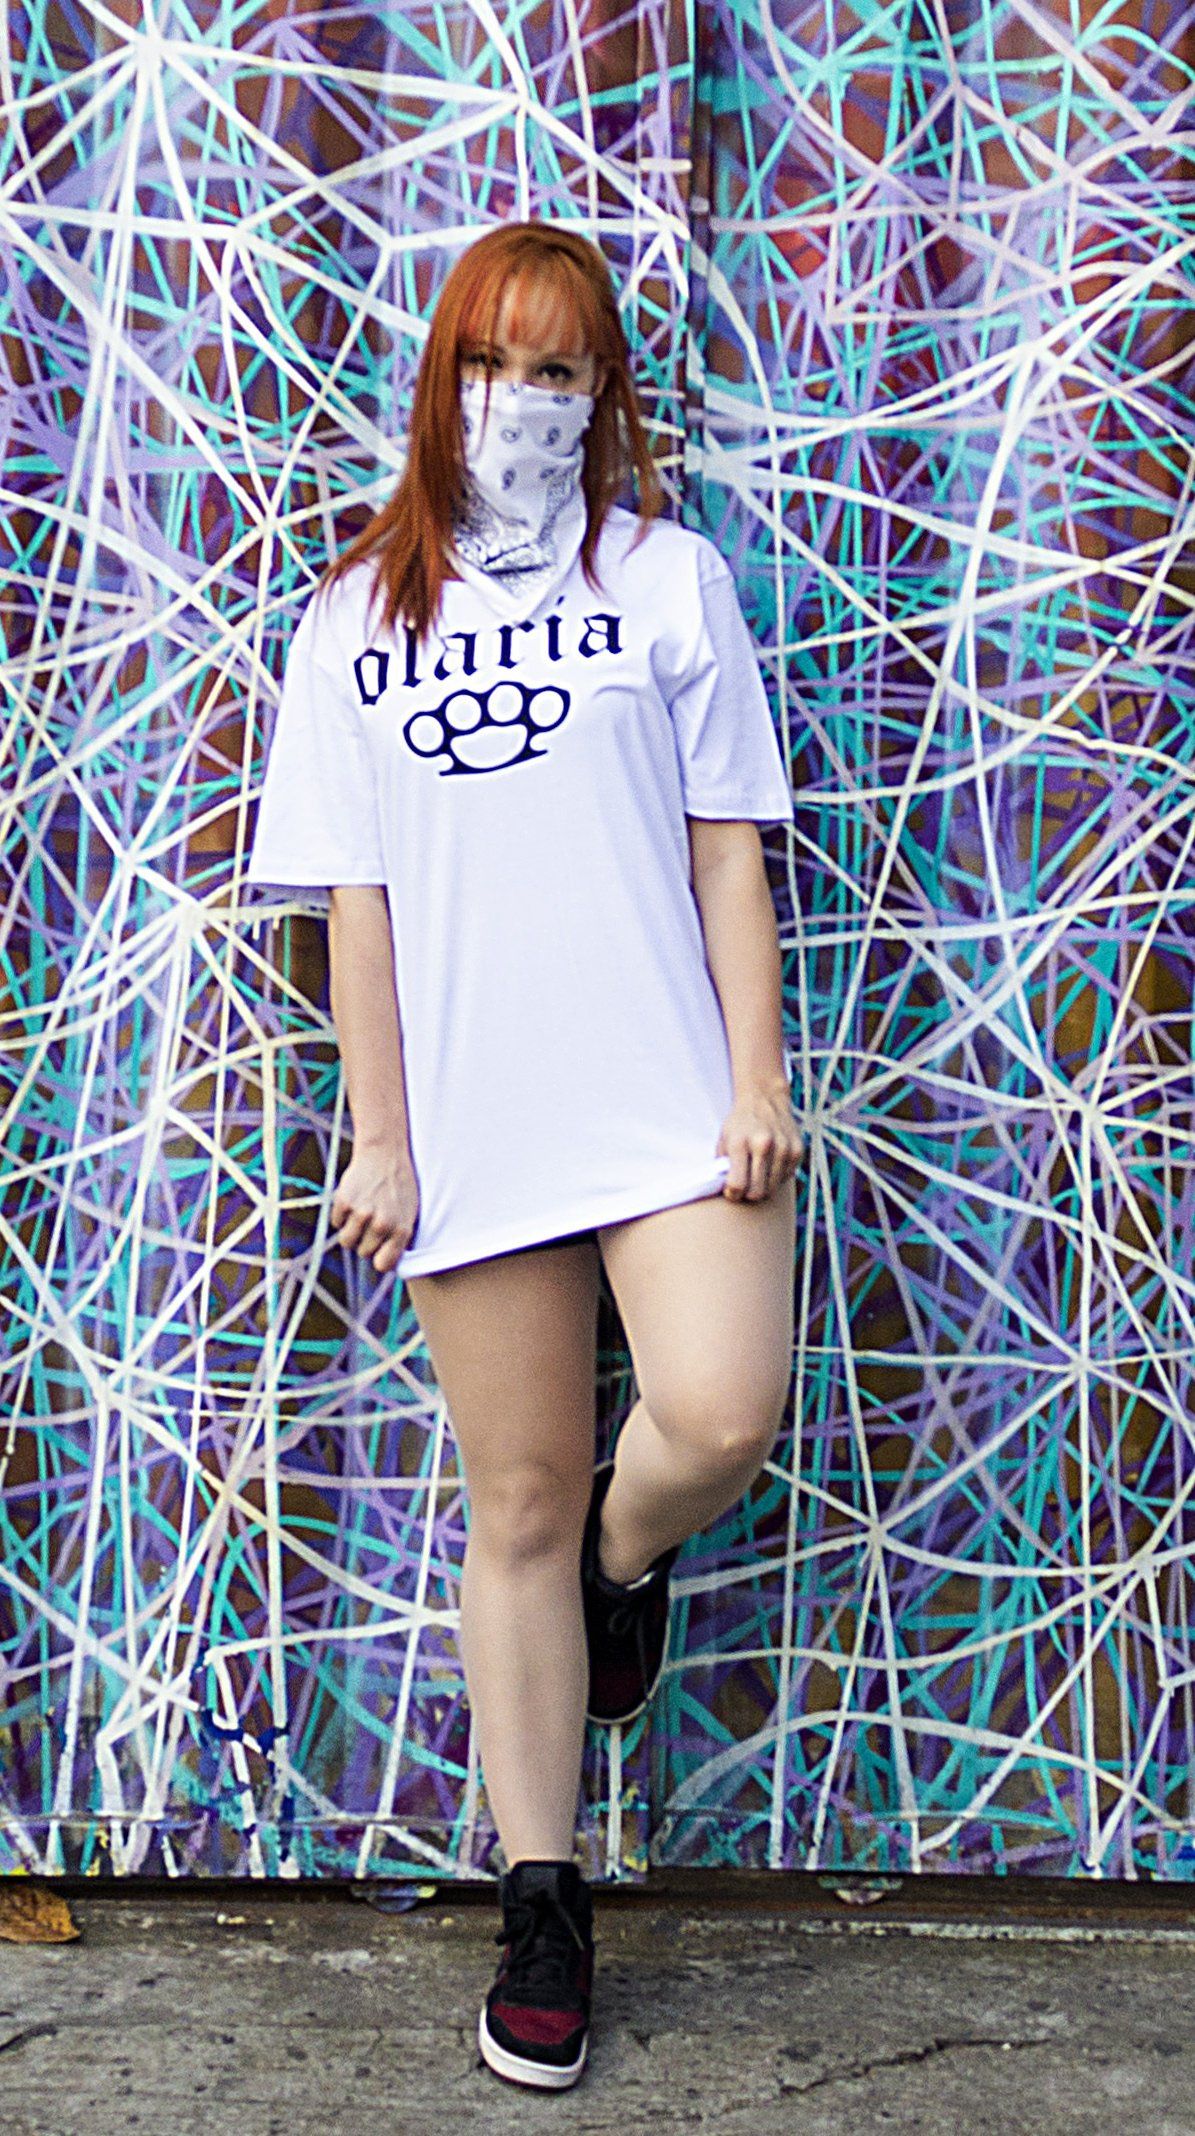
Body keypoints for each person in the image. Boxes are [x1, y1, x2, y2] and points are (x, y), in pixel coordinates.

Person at [246, 219, 803, 2092]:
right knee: (517, 1509)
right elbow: (360, 905)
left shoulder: (668, 578)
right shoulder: (348, 626)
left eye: (561, 372)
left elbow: (730, 842)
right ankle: (542, 1898)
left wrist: (757, 1079)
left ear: (604, 393)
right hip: (480, 1125)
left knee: (719, 1409)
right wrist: (382, 1136)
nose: (524, 404)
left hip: (665, 1105)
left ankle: (623, 1571)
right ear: (441, 381)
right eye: (494, 365)